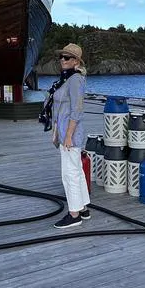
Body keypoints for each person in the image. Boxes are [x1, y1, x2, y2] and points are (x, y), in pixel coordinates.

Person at [45, 43, 90, 228]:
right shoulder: (66, 79)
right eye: (62, 57)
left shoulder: (75, 80)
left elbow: (77, 110)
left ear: (76, 61)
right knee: (76, 170)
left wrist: (69, 135)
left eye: (67, 57)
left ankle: (74, 215)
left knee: (69, 174)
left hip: (70, 134)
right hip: (64, 131)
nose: (63, 60)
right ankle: (83, 208)